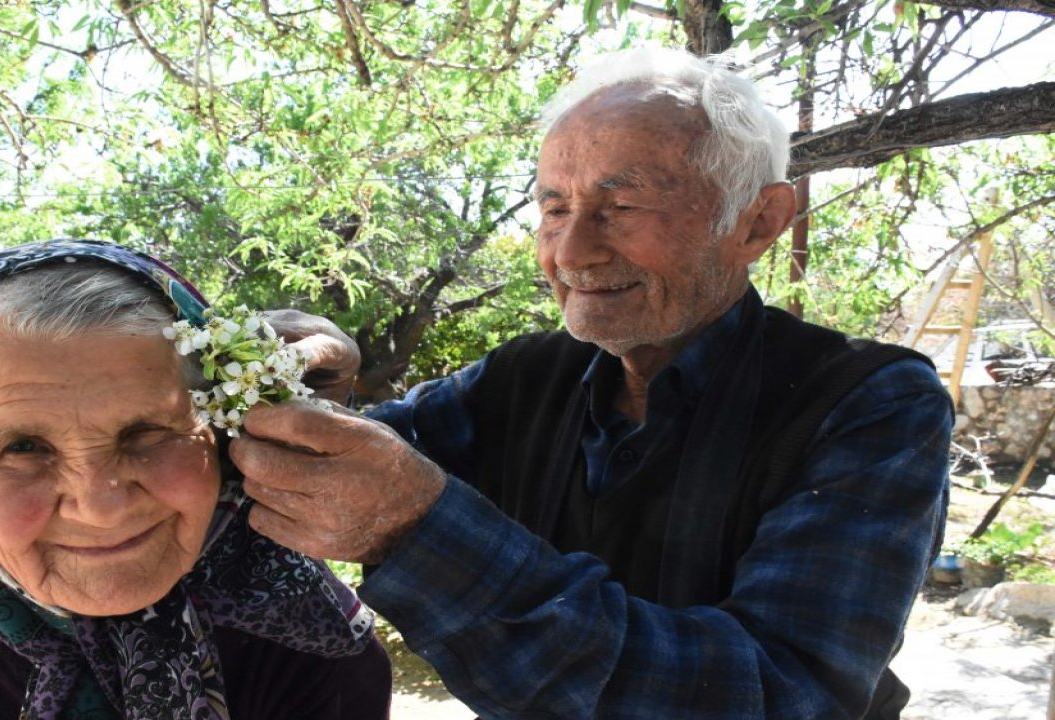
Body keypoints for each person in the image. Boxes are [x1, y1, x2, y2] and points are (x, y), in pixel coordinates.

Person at [228, 47, 953, 719]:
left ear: (758, 223)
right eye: (554, 209)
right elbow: (357, 461)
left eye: (623, 207)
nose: (572, 252)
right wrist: (310, 395)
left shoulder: (868, 402)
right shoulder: (530, 374)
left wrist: (420, 527)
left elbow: (779, 695)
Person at [0, 239, 391, 720]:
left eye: (147, 431)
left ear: (226, 440)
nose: (98, 504)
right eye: (23, 446)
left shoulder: (307, 631)